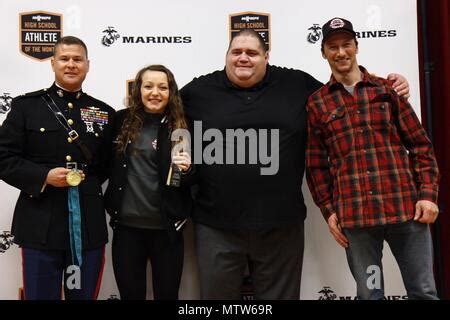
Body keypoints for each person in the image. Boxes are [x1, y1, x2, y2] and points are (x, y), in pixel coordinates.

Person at [180, 28, 410, 300]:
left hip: (281, 226)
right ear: (226, 56)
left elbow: (344, 92)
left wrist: (390, 85)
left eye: (252, 53)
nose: (243, 58)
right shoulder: (198, 91)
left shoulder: (296, 84)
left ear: (266, 57)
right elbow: (158, 109)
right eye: (236, 52)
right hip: (215, 226)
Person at [306, 17, 440, 300]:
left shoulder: (387, 90)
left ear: (356, 46)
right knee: (370, 294)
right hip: (357, 221)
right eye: (333, 47)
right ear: (324, 53)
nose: (340, 52)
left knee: (424, 292)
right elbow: (316, 166)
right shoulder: (317, 103)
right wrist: (329, 211)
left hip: (407, 214)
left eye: (346, 45)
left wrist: (428, 195)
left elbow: (420, 147)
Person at [0, 36, 115, 299]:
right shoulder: (26, 107)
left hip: (87, 227)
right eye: (64, 59)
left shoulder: (104, 112)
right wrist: (44, 176)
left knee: (82, 296)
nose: (71, 64)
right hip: (39, 225)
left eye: (77, 59)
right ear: (53, 63)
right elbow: (3, 157)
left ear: (88, 65)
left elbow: (107, 165)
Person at [104, 65, 193, 300]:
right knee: (130, 295)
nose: (155, 92)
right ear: (138, 90)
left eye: (162, 87)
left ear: (171, 92)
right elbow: (102, 163)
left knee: (167, 294)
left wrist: (188, 170)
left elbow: (197, 177)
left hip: (167, 230)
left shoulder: (184, 125)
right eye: (148, 86)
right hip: (126, 229)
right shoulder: (120, 120)